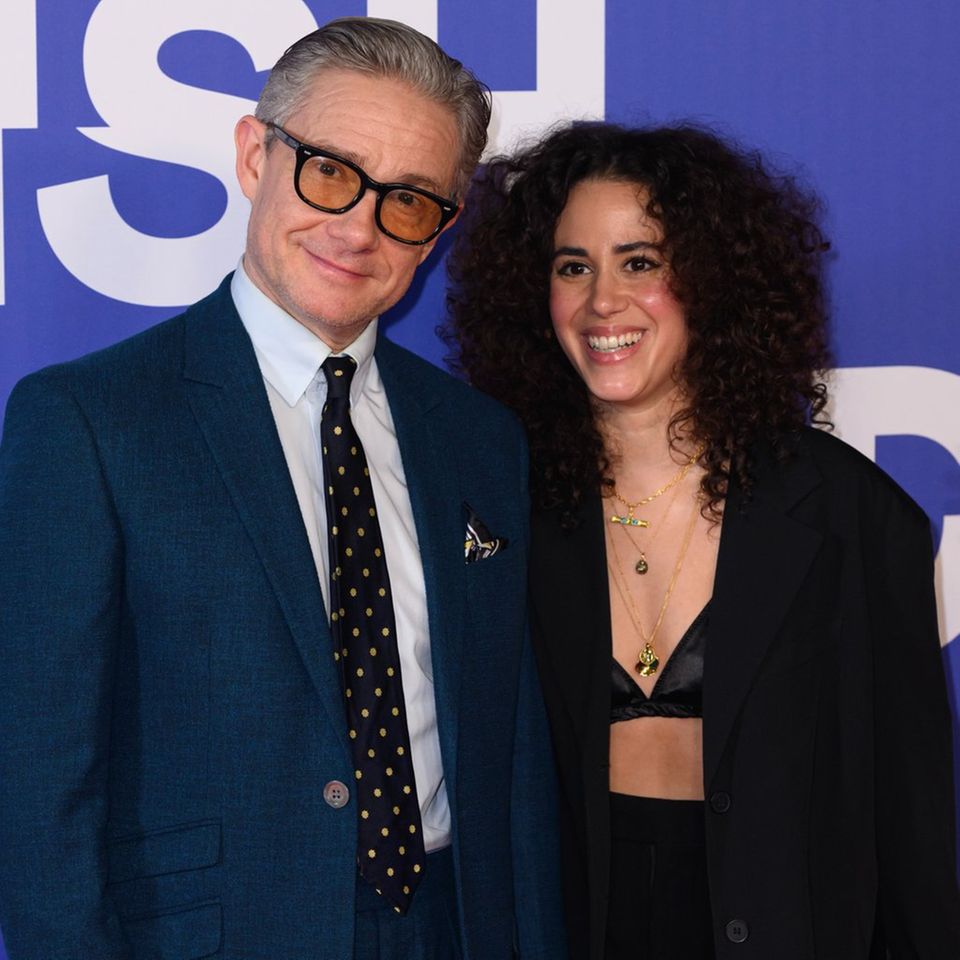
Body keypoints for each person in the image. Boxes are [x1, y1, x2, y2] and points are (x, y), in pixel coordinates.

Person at [0, 18, 566, 960]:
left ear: (441, 228)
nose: (360, 226)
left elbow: (512, 754)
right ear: (255, 155)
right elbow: (40, 776)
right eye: (332, 171)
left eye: (410, 200)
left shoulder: (478, 440)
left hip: (452, 928)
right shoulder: (90, 420)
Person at [447, 121, 960, 959]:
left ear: (712, 280)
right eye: (572, 266)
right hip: (572, 929)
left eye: (639, 262)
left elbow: (909, 822)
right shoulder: (500, 506)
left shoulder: (849, 514)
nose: (602, 300)